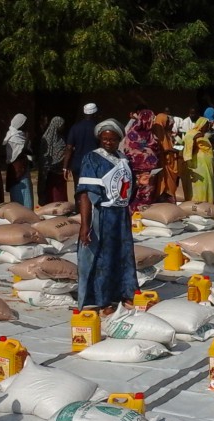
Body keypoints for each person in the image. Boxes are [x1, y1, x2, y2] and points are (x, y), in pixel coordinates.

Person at [76, 119, 137, 315]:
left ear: (119, 139)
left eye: (112, 139)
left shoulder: (122, 158)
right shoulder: (92, 159)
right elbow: (85, 193)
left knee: (123, 254)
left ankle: (124, 291)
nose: (108, 143)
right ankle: (102, 301)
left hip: (121, 216)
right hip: (102, 215)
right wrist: (85, 225)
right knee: (103, 257)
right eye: (104, 139)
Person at [123, 109, 160, 212]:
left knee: (137, 190)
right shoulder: (149, 135)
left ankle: (134, 211)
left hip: (134, 168)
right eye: (152, 119)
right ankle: (140, 212)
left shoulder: (132, 132)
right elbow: (155, 148)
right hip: (144, 170)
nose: (152, 121)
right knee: (144, 192)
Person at [63, 103, 99, 188]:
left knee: (78, 189)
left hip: (77, 164)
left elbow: (69, 148)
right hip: (93, 164)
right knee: (92, 191)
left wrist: (65, 166)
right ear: (94, 114)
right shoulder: (98, 128)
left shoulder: (75, 128)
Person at [3, 113, 34, 208]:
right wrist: (27, 141)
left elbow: (28, 151)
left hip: (23, 168)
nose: (26, 125)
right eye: (25, 123)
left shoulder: (21, 135)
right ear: (20, 124)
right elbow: (16, 155)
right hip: (17, 170)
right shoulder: (13, 137)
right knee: (20, 195)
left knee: (27, 193)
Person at [181, 117, 214, 202]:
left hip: (207, 164)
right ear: (201, 124)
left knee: (208, 184)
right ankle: (198, 204)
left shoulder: (203, 134)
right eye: (206, 125)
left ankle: (207, 204)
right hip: (199, 165)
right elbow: (187, 147)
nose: (208, 127)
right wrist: (194, 138)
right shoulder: (192, 133)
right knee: (200, 185)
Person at [152, 112, 179, 203]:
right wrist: (169, 150)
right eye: (167, 122)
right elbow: (158, 149)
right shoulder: (157, 132)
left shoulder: (166, 133)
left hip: (168, 162)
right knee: (163, 182)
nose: (169, 124)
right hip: (162, 164)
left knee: (170, 184)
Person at [40, 116, 68, 202]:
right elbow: (44, 154)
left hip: (60, 169)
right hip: (50, 171)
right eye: (61, 125)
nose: (63, 127)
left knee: (61, 192)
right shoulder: (46, 138)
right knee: (53, 192)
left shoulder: (61, 137)